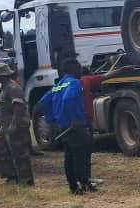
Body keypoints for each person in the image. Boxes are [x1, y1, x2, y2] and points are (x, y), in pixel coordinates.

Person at [38, 58, 98, 195]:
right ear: (74, 69)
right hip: (75, 126)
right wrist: (75, 119)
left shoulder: (60, 84)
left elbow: (43, 101)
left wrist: (52, 119)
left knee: (69, 156)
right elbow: (68, 99)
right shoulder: (75, 83)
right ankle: (85, 184)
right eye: (79, 68)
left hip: (63, 126)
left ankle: (73, 187)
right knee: (81, 155)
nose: (81, 71)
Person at [0, 62, 34, 185]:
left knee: (19, 152)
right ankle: (11, 177)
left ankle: (26, 180)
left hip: (16, 123)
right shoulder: (3, 87)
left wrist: (14, 124)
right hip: (5, 123)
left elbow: (18, 107)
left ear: (2, 76)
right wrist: (1, 124)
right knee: (1, 151)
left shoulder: (13, 87)